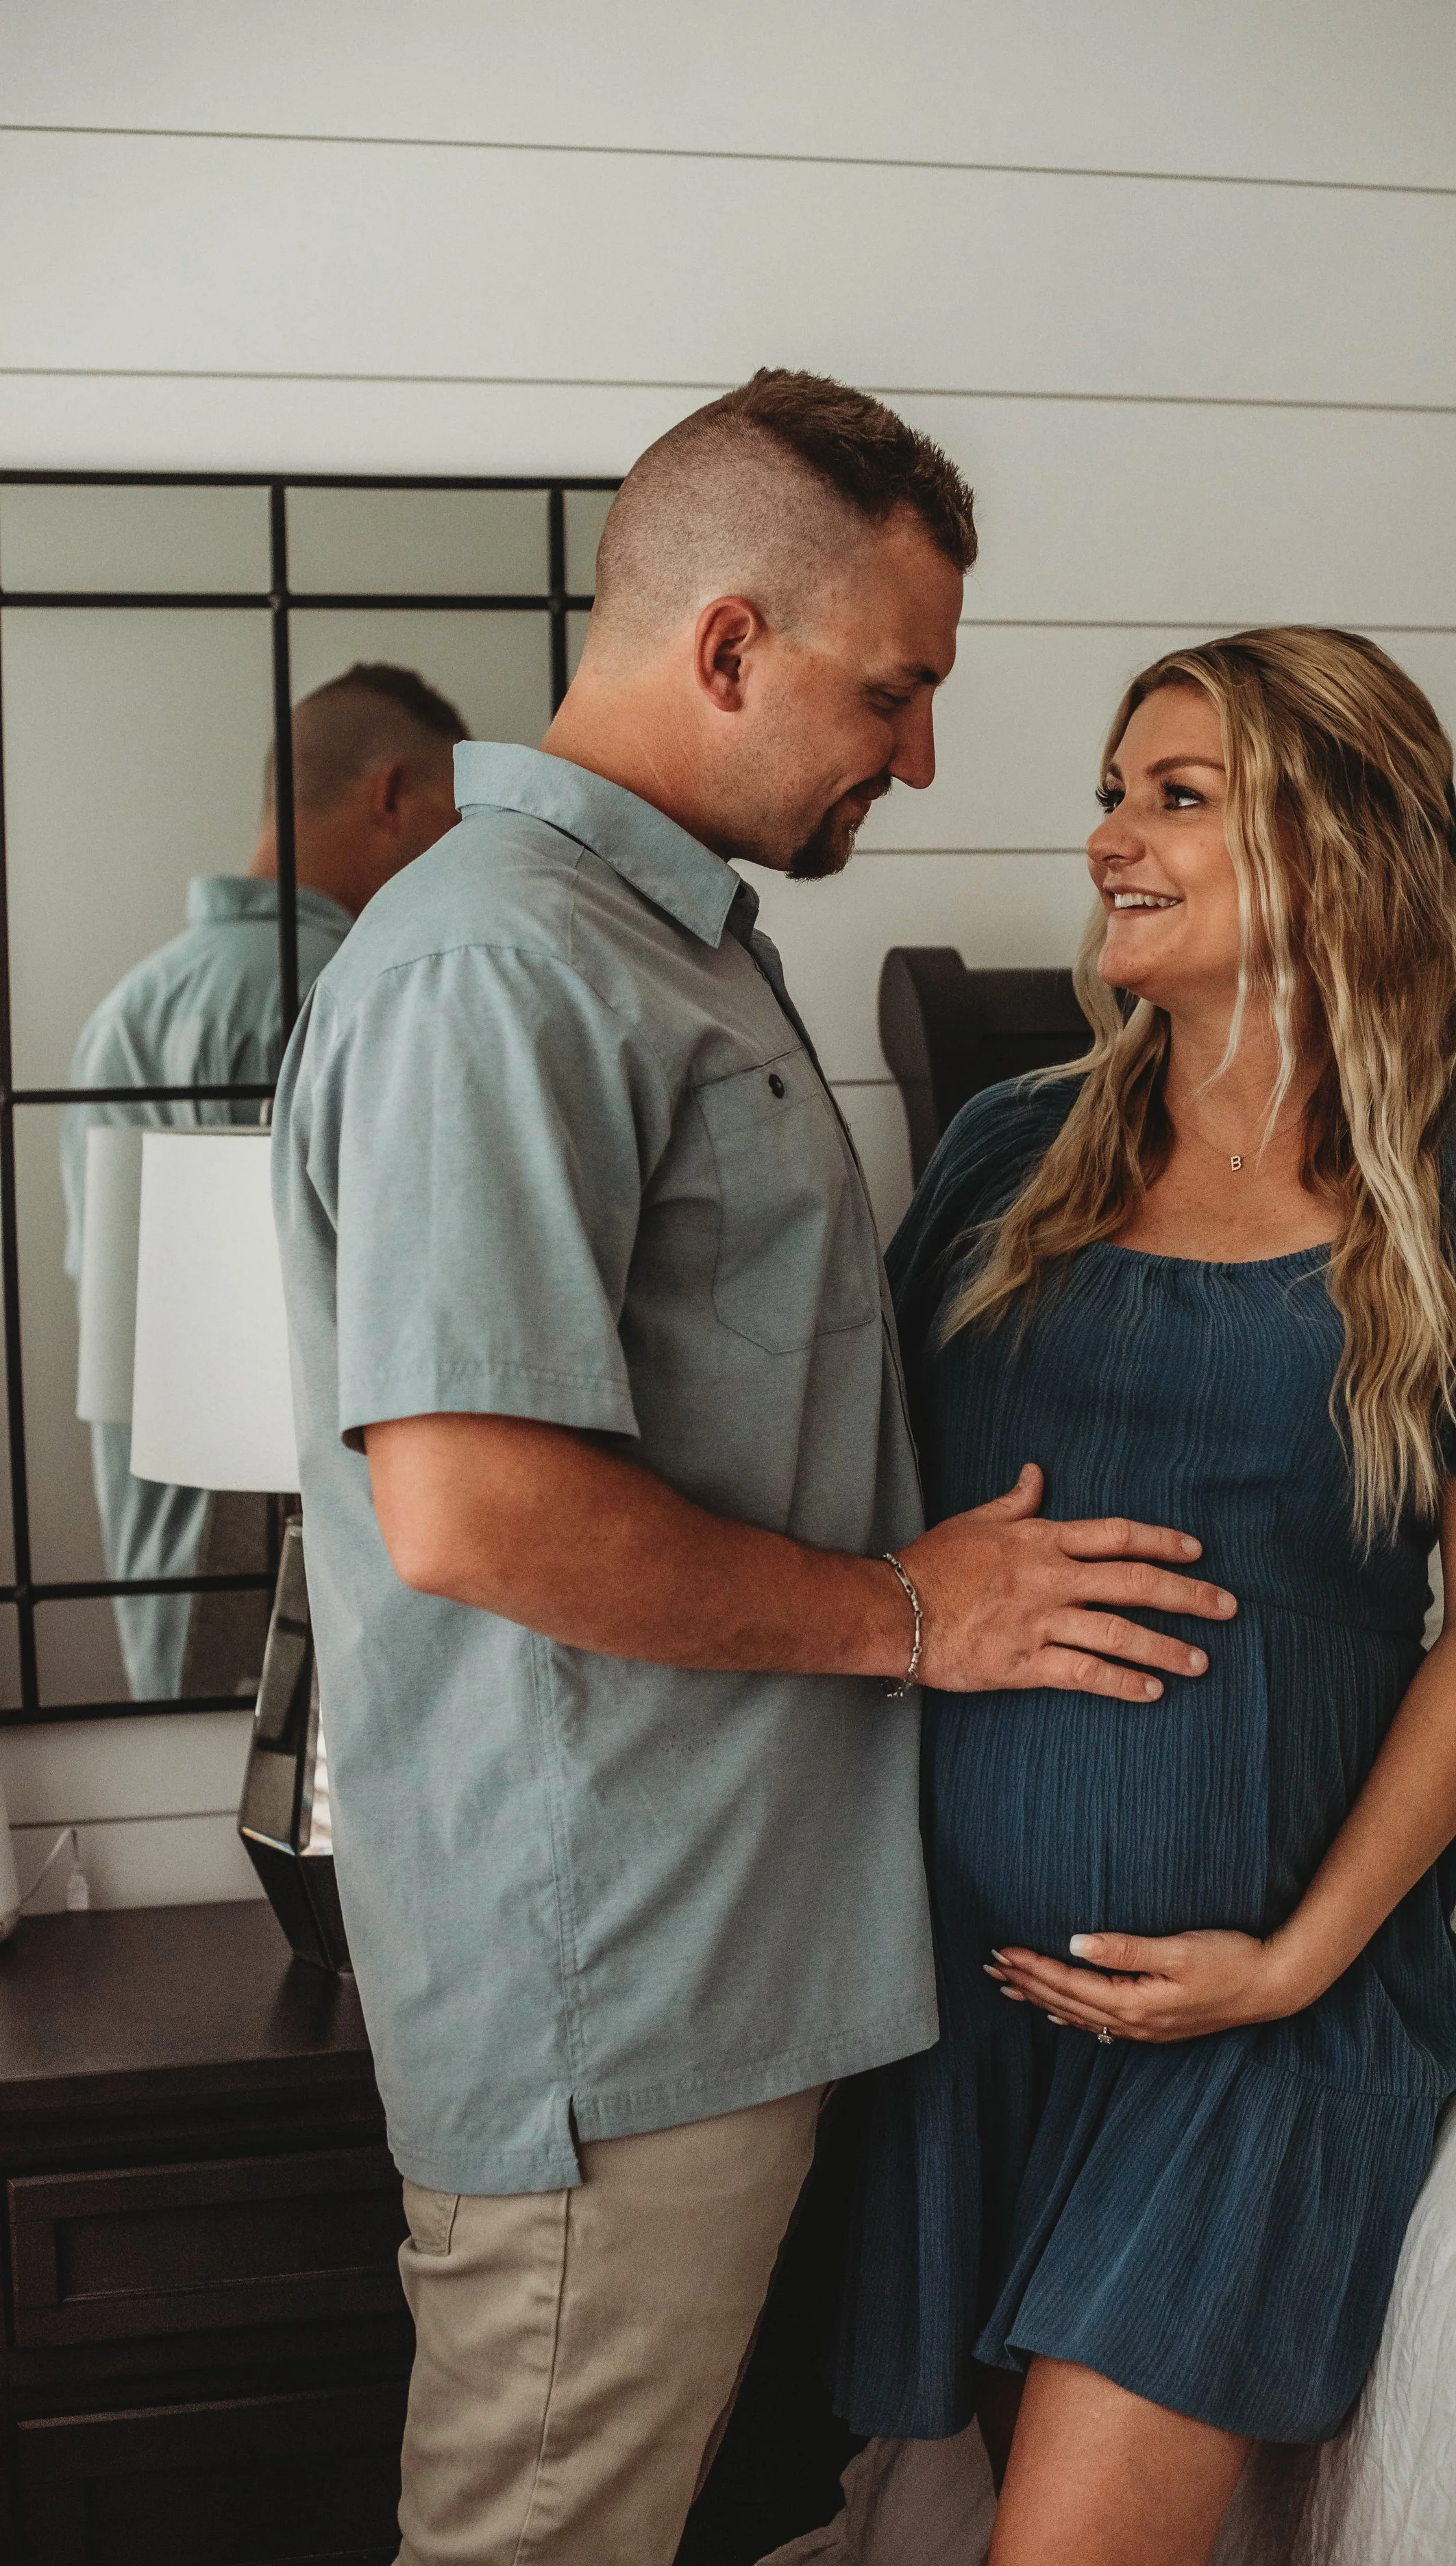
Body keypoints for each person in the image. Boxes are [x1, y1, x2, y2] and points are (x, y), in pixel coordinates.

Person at [270, 370, 1234, 2566]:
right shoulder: (503, 966)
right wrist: (914, 1613)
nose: (920, 756)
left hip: (738, 1964)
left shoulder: (659, 944)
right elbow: (473, 1508)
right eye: (891, 692)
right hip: (617, 1993)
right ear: (726, 646)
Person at [834, 629, 1456, 2566]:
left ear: (1334, 842)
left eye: (1176, 797)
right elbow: (860, 1517)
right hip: (980, 2000)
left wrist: (1290, 1965)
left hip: (1262, 2020)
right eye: (1111, 795)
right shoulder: (1008, 1148)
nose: (1110, 838)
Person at [61, 665, 465, 1699]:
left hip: (163, 1564)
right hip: (318, 1580)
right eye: (454, 817)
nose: (463, 857)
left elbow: (113, 1316)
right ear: (391, 795)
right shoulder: (343, 998)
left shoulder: (127, 1008)